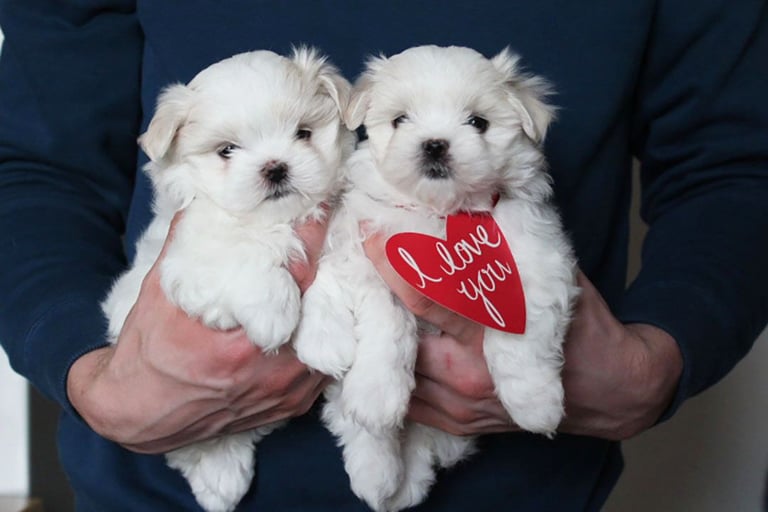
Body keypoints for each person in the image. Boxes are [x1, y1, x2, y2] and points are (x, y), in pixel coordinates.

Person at [0, 1, 766, 511]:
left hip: (528, 487)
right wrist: (86, 371)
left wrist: (663, 354)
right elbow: (33, 163)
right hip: (154, 488)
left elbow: (738, 163)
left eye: (305, 134)